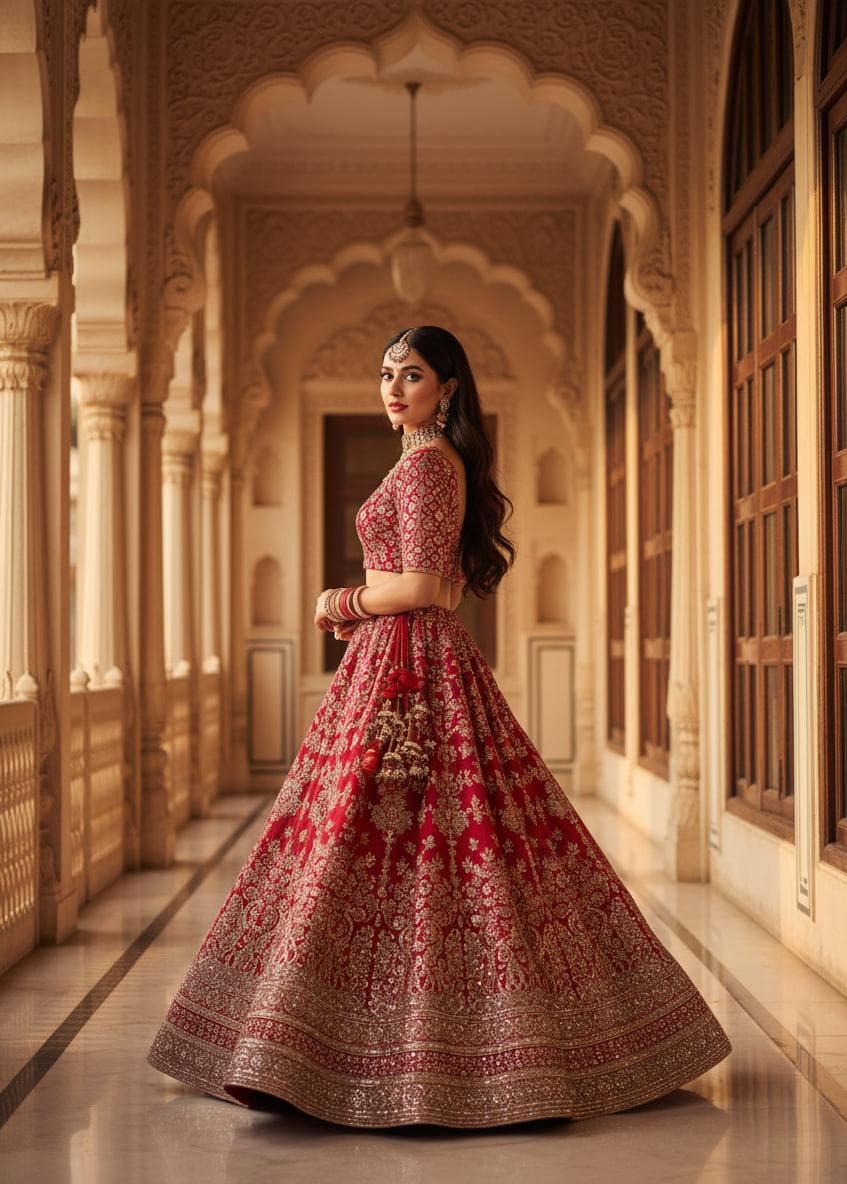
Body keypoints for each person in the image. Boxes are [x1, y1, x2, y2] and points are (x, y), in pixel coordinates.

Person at [147, 325, 731, 1128]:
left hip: (412, 670)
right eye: (386, 373)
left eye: (412, 375)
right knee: (424, 845)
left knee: (402, 841)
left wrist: (337, 603)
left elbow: (427, 585)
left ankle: (365, 1045)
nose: (393, 388)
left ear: (447, 388)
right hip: (399, 659)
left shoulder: (428, 467)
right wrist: (365, 609)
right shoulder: (421, 462)